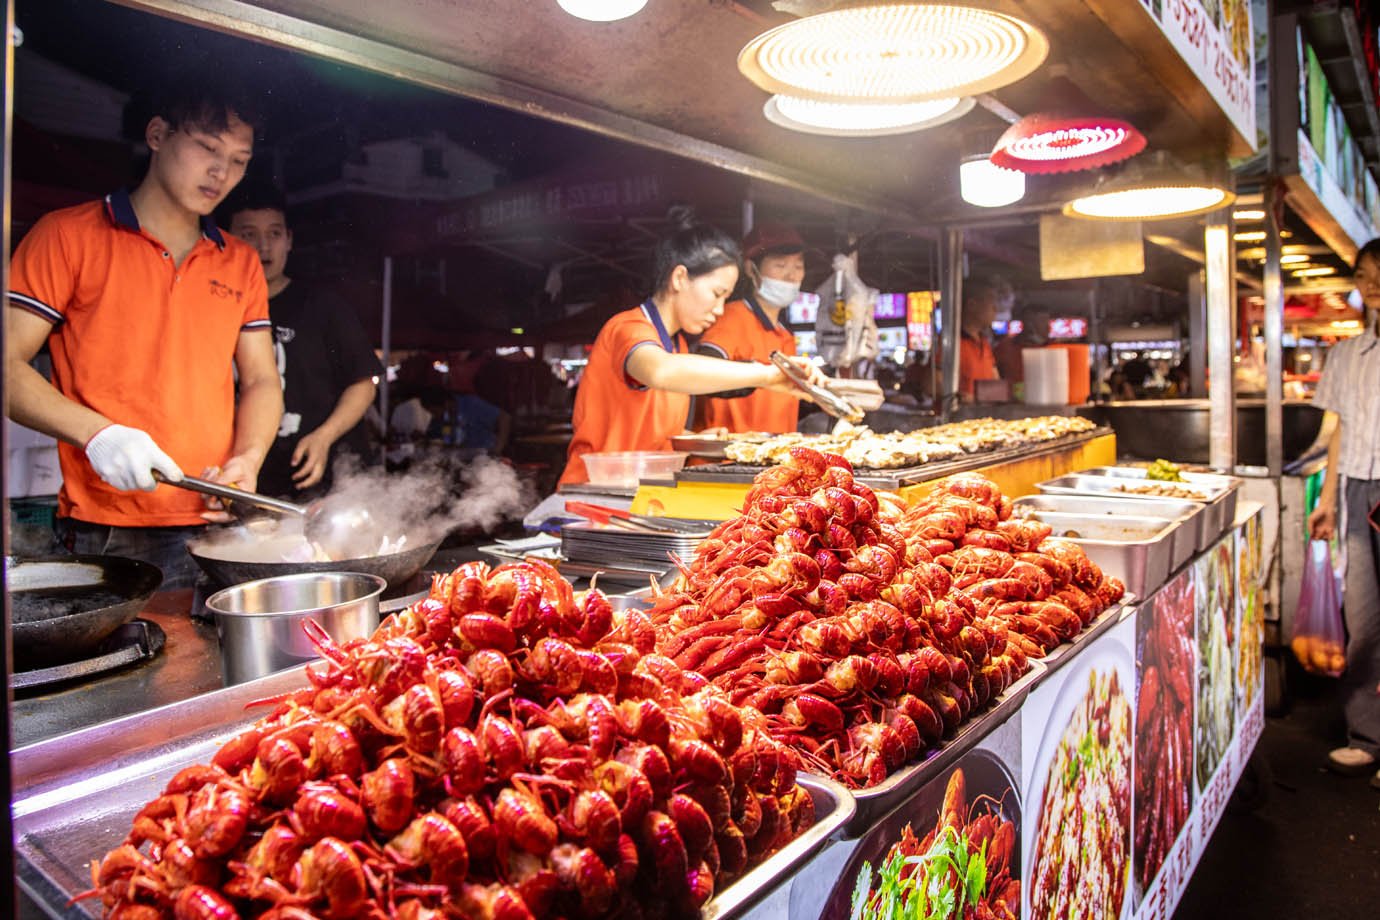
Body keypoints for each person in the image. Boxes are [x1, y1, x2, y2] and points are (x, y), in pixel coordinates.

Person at [4, 77, 282, 588]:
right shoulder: (67, 235)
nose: (222, 171)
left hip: (211, 521)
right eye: (207, 148)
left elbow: (263, 379)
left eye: (239, 160)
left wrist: (249, 458)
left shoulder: (240, 261)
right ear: (157, 134)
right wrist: (99, 435)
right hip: (106, 525)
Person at [558, 207, 825, 486]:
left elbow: (650, 431)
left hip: (642, 495)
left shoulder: (678, 345)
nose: (720, 310)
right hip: (592, 493)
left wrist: (693, 438)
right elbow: (660, 371)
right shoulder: (628, 328)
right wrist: (767, 376)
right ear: (680, 278)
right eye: (717, 294)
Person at [223, 181, 381, 499]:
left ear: (289, 240)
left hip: (332, 480)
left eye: (275, 234)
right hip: (254, 482)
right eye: (249, 234)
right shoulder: (218, 308)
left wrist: (324, 436)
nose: (263, 246)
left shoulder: (322, 304)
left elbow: (364, 382)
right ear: (227, 241)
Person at [1308, 237, 1380, 786]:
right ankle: (1367, 736)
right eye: (1364, 274)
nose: (1371, 283)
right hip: (1358, 489)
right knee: (1363, 621)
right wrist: (1327, 500)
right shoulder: (1346, 354)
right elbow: (1337, 434)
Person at [695, 222, 810, 433]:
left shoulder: (785, 335)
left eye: (798, 266)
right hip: (725, 460)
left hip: (773, 459)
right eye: (780, 265)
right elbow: (701, 371)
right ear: (751, 269)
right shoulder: (730, 317)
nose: (792, 276)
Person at [957, 279, 1002, 400]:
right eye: (991, 301)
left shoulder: (984, 343)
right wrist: (966, 398)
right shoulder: (954, 343)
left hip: (986, 415)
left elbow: (995, 380)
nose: (995, 309)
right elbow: (932, 385)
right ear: (972, 305)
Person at [994, 303, 1051, 383]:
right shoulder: (1005, 348)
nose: (1048, 327)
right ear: (1029, 324)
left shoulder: (1052, 349)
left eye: (1047, 321)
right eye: (1043, 321)